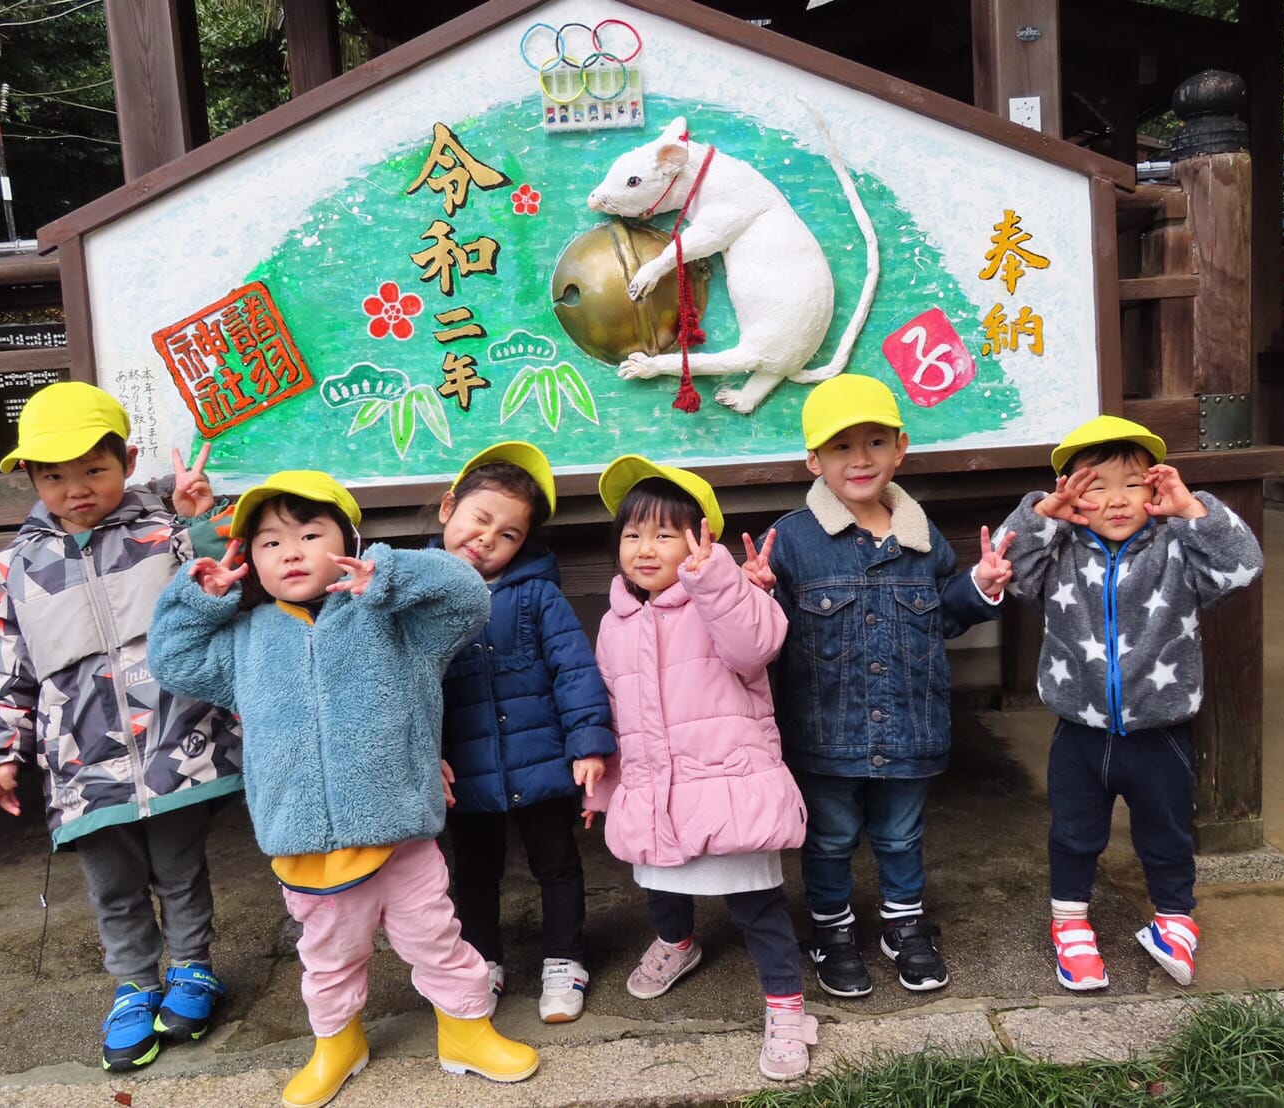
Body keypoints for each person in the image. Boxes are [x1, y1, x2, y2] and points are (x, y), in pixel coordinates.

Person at [148, 471, 538, 1107]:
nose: (292, 552)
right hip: (306, 845)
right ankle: (337, 1043)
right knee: (328, 959)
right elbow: (172, 659)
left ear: (348, 540)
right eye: (270, 544)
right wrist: (202, 597)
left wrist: (385, 576)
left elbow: (467, 596)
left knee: (437, 938)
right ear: (251, 560)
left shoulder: (398, 622)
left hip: (401, 830)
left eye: (309, 534)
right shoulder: (244, 642)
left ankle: (467, 1030)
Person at [0, 381, 242, 1073]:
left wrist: (200, 526)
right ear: (30, 478)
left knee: (180, 868)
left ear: (127, 460)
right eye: (53, 476)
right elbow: (1, 670)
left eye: (94, 469)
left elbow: (227, 585)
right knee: (111, 882)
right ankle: (135, 984)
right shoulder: (10, 570)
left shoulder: (164, 535)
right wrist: (1, 754)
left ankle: (194, 968)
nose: (76, 490)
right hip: (80, 765)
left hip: (177, 749)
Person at [760, 374, 1015, 999]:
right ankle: (832, 928)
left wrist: (980, 584)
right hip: (825, 729)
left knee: (902, 833)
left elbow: (946, 615)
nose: (860, 459)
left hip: (910, 724)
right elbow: (763, 640)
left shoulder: (921, 540)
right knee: (830, 836)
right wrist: (755, 595)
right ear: (814, 460)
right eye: (841, 447)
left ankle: (903, 923)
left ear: (900, 448)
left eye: (875, 441)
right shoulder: (791, 540)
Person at [995, 414, 1263, 990]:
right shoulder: (1060, 551)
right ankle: (1070, 926)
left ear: (1158, 486)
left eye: (1134, 484)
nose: (1116, 500)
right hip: (1079, 732)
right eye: (1095, 487)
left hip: (1161, 733)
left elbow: (1243, 567)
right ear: (1071, 496)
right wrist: (1042, 517)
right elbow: (1006, 573)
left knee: (1166, 835)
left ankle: (1175, 922)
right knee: (1073, 833)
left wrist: (1193, 510)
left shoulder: (1179, 549)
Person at [582, 455, 818, 1082]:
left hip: (729, 786)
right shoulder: (614, 622)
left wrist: (716, 580)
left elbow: (757, 647)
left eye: (665, 533)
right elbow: (611, 708)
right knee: (660, 884)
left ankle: (787, 1007)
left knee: (757, 905)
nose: (645, 547)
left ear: (702, 538)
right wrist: (604, 781)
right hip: (655, 792)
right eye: (632, 534)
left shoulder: (729, 598)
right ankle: (677, 943)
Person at [436, 442, 615, 1023]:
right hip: (464, 769)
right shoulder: (417, 595)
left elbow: (573, 668)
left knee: (557, 863)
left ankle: (565, 959)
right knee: (475, 871)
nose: (488, 539)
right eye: (480, 520)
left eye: (509, 534)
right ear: (448, 509)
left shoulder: (537, 593)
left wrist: (587, 742)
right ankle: (482, 961)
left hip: (542, 760)